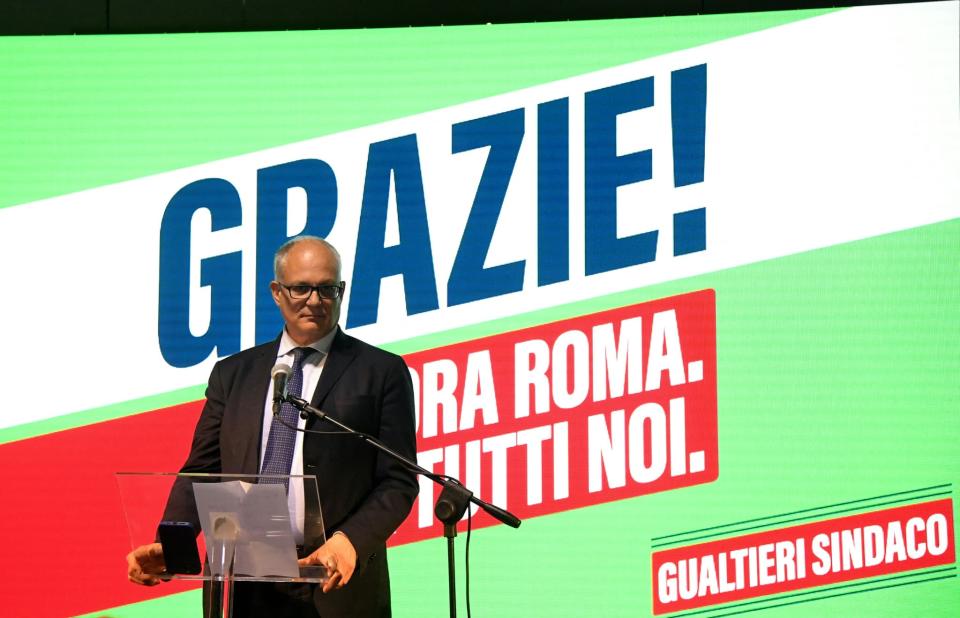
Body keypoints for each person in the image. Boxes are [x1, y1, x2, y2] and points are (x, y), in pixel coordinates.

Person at [127, 236, 419, 617]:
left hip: (334, 581)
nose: (314, 300)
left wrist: (349, 542)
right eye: (301, 288)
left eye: (327, 288)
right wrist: (173, 542)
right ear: (277, 292)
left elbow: (398, 480)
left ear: (342, 291)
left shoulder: (380, 372)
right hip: (243, 583)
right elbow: (202, 470)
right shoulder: (233, 375)